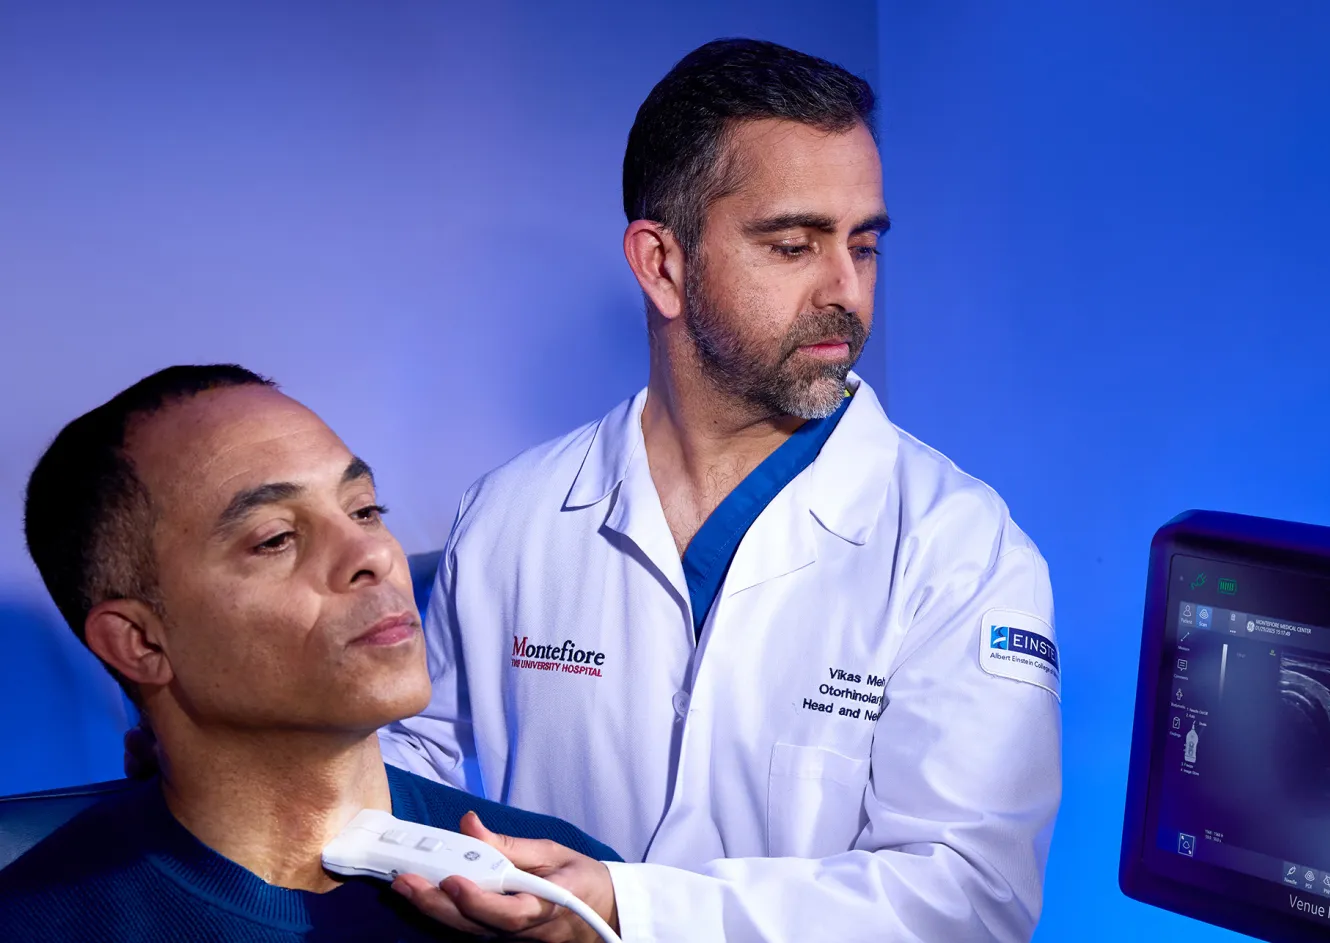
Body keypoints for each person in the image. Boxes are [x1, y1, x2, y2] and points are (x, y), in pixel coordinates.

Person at [378, 38, 1062, 942]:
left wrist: (625, 912)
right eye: (793, 244)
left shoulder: (962, 551)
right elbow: (414, 761)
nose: (847, 291)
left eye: (863, 243)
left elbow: (968, 903)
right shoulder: (510, 515)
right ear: (661, 263)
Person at [2, 365, 623, 942]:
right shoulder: (38, 922)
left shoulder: (564, 899)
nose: (375, 556)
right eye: (276, 539)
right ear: (138, 643)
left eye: (365, 510)